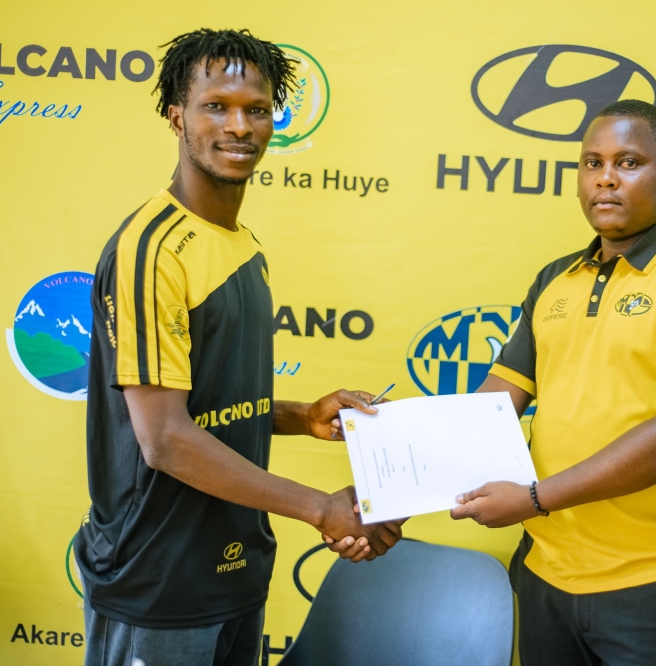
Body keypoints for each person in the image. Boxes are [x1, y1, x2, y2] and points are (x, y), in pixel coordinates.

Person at [73, 28, 401, 666]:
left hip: (236, 568)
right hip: (157, 580)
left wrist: (301, 417)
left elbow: (218, 406)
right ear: (177, 116)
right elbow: (164, 438)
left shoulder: (242, 245)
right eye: (216, 106)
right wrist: (320, 507)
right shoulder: (152, 249)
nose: (239, 126)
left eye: (256, 110)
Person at [449, 100, 656, 665]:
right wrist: (392, 488)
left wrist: (536, 499)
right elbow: (492, 408)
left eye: (629, 162)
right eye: (592, 163)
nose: (607, 177)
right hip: (546, 573)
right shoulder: (555, 278)